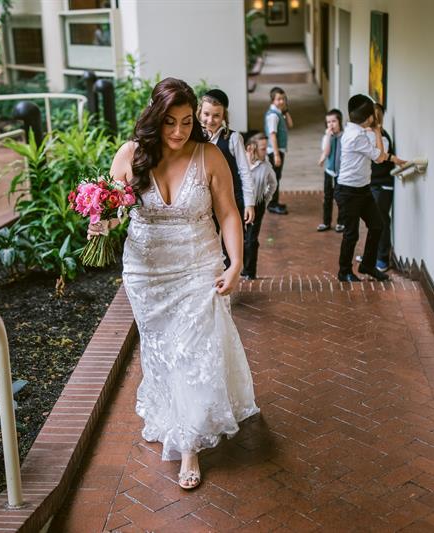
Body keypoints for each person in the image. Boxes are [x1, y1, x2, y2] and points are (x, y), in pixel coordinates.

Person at [88, 78, 259, 490]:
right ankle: (174, 415)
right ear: (155, 118)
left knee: (189, 353)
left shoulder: (209, 156)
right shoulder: (131, 154)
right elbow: (114, 212)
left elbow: (230, 214)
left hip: (198, 267)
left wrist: (235, 263)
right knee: (162, 352)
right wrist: (99, 220)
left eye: (186, 122)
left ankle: (188, 447)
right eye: (170, 122)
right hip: (146, 274)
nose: (179, 132)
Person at [334, 94, 389, 282]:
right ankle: (344, 271)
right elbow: (380, 157)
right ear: (369, 118)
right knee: (351, 234)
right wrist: (378, 130)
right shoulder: (356, 136)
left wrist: (373, 130)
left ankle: (367, 265)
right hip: (348, 192)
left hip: (362, 189)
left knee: (377, 225)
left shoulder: (357, 130)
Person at [198, 89, 255, 267]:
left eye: (216, 115)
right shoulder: (195, 139)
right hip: (206, 198)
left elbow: (245, 171)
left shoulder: (232, 138)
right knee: (209, 237)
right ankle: (213, 272)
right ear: (199, 111)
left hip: (232, 196)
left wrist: (249, 203)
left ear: (224, 116)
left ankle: (231, 274)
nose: (210, 120)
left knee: (233, 240)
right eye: (206, 114)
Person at [368, 103, 406, 271]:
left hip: (382, 186)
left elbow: (380, 157)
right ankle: (373, 255)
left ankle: (382, 259)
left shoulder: (381, 137)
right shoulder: (371, 134)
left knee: (381, 221)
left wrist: (394, 159)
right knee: (374, 221)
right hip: (374, 184)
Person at [242, 133, 277, 279]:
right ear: (251, 148)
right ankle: (242, 266)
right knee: (239, 238)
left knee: (251, 239)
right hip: (239, 205)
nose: (266, 151)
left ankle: (250, 271)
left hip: (257, 205)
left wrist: (265, 200)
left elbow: (273, 184)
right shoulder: (240, 162)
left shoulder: (266, 166)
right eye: (263, 148)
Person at [264, 86, 293, 215]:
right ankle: (271, 204)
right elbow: (272, 135)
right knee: (274, 178)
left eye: (283, 99)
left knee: (277, 177)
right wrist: (276, 154)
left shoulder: (279, 113)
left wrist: (286, 111)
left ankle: (274, 201)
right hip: (273, 151)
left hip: (278, 150)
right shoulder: (273, 116)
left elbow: (291, 125)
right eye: (278, 99)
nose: (281, 101)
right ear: (272, 101)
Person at [317, 109, 345, 233]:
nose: (331, 124)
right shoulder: (327, 138)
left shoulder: (345, 137)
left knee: (341, 198)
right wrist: (328, 136)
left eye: (334, 121)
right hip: (329, 172)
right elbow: (327, 152)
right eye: (328, 122)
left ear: (340, 121)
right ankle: (326, 222)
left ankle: (341, 222)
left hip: (342, 173)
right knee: (328, 197)